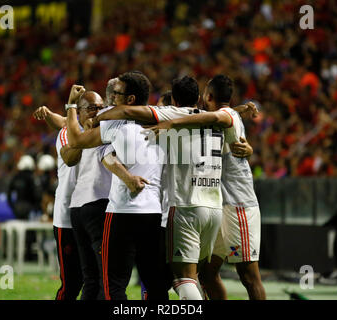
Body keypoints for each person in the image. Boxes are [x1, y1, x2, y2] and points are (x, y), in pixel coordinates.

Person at [92, 75, 225, 300]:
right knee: (199, 277)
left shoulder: (170, 116)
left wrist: (96, 116)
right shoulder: (217, 118)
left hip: (183, 207)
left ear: (173, 100)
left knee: (183, 278)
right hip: (214, 206)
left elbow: (126, 113)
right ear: (200, 98)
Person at [147, 74, 265, 300]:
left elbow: (218, 116)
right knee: (208, 274)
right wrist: (242, 110)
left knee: (249, 276)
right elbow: (208, 116)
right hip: (219, 204)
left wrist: (171, 121)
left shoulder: (224, 115)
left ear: (208, 96)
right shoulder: (220, 116)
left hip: (239, 204)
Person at [65, 71, 170, 300]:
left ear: (130, 100)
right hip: (153, 212)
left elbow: (75, 141)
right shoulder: (165, 120)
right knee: (155, 284)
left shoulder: (115, 124)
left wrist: (71, 106)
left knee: (113, 285)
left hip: (121, 211)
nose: (112, 98)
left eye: (117, 93)